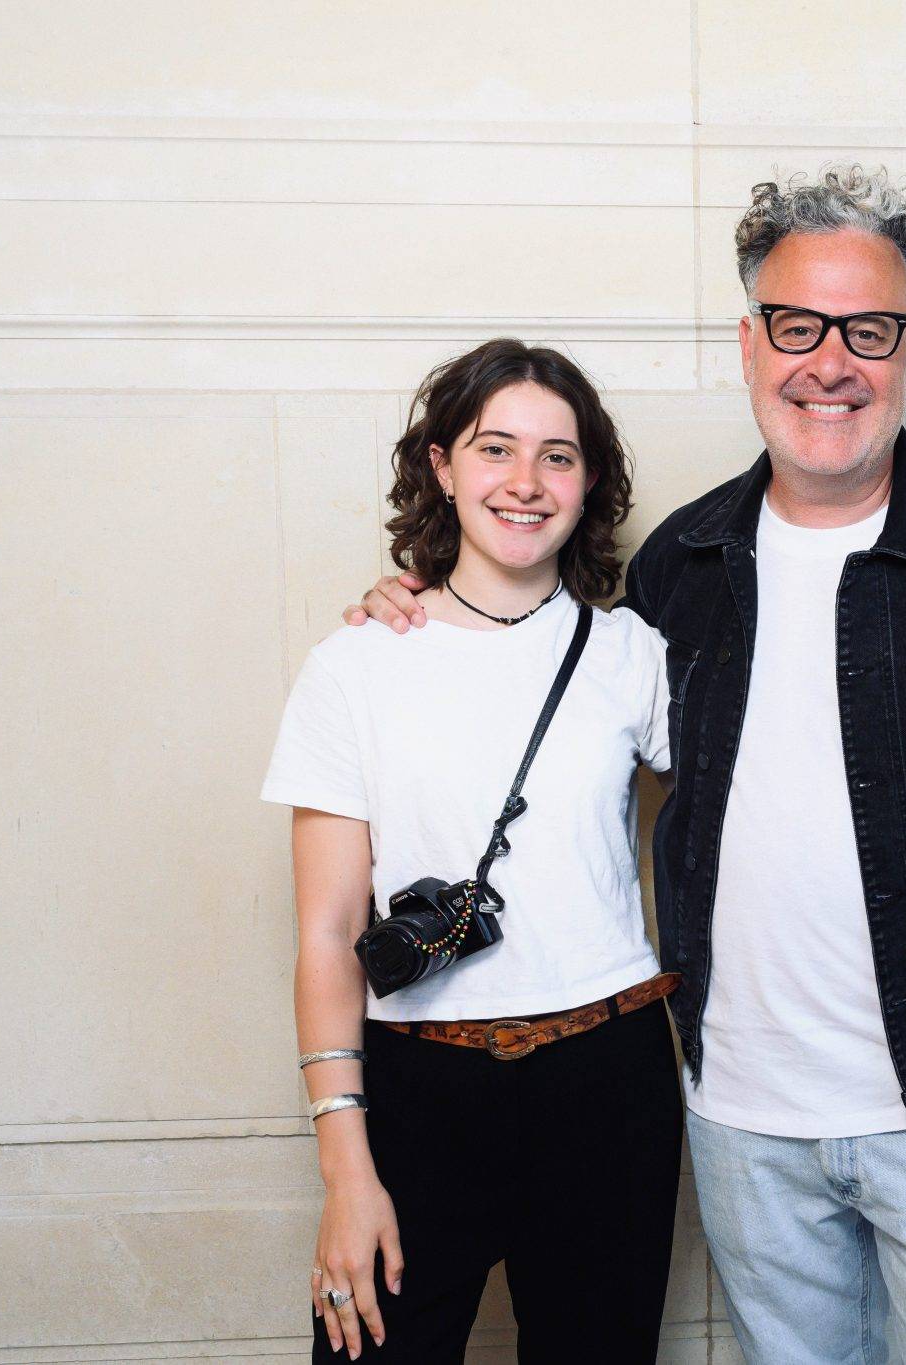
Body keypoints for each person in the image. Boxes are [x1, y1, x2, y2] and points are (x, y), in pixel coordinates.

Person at [349, 168, 906, 1363]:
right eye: (796, 325)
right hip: (742, 1127)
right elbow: (540, 666)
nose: (829, 362)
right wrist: (416, 607)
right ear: (748, 342)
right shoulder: (682, 568)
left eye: (866, 331)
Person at [264, 339, 682, 1362]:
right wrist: (345, 1169)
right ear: (442, 467)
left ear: (590, 483)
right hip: (419, 1090)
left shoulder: (630, 651)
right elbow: (325, 932)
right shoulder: (354, 665)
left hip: (606, 1081)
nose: (525, 483)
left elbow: (760, 809)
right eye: (495, 449)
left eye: (558, 456)